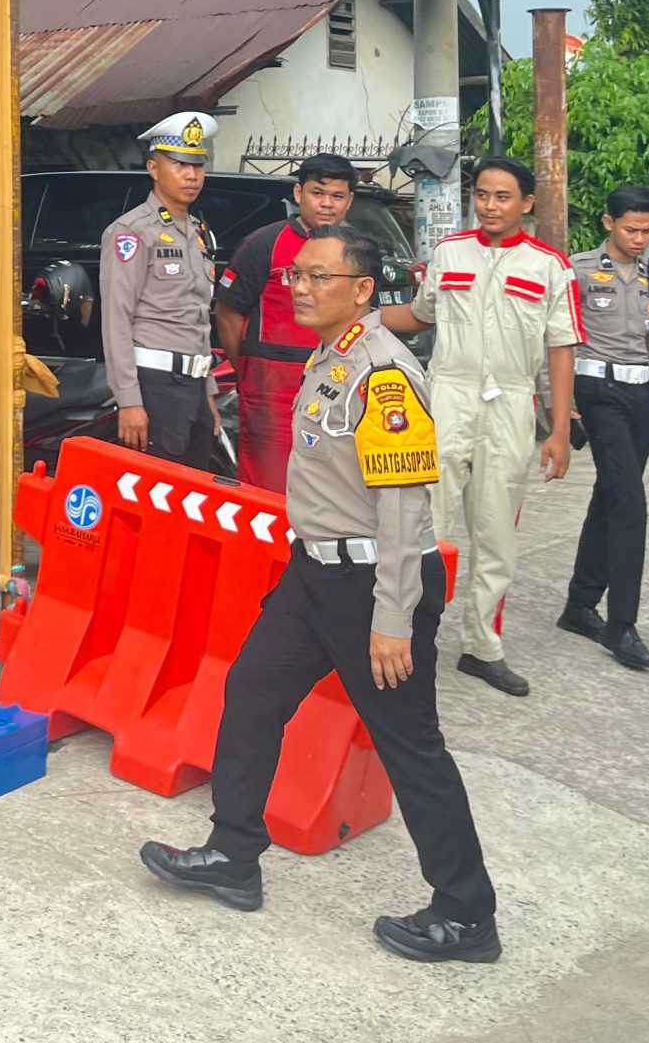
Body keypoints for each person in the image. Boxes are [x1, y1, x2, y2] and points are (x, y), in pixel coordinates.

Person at [139, 227, 501, 961]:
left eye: (318, 277)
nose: (301, 288)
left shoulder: (384, 375)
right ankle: (234, 855)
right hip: (315, 575)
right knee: (252, 691)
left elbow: (403, 506)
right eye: (296, 276)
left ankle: (468, 915)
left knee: (410, 746)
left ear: (363, 290)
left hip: (376, 584)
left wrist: (393, 616)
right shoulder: (331, 355)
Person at [374, 155, 581, 698]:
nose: (489, 206)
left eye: (502, 197)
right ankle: (410, 640)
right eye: (482, 195)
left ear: (527, 204)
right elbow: (419, 315)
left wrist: (559, 429)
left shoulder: (550, 267)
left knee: (497, 533)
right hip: (447, 397)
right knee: (426, 523)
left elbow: (561, 349)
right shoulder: (449, 253)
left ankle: (482, 648)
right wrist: (358, 315)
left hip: (511, 405)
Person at [558, 185, 649, 672]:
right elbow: (557, 339)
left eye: (647, 230)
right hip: (596, 391)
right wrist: (558, 406)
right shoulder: (579, 270)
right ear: (608, 223)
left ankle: (580, 604)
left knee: (611, 496)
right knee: (630, 505)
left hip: (639, 396)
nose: (639, 238)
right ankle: (622, 625)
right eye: (631, 229)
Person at [213, 153, 359, 494]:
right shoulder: (263, 244)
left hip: (335, 386)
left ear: (349, 201)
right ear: (298, 193)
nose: (327, 204)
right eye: (317, 193)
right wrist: (248, 372)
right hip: (271, 390)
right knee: (268, 487)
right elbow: (228, 313)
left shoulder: (358, 251)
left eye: (337, 196)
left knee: (331, 489)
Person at [100, 113, 220, 470]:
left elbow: (198, 316)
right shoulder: (132, 231)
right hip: (155, 384)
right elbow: (116, 320)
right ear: (153, 168)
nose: (191, 175)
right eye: (179, 165)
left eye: (198, 166)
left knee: (192, 488)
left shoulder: (198, 231)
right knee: (158, 485)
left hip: (194, 384)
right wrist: (129, 400)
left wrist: (207, 392)